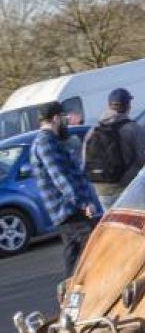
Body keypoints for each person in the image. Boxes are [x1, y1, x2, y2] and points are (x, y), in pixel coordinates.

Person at [31, 102, 102, 274]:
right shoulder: (45, 143)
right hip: (69, 209)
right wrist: (84, 203)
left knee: (74, 255)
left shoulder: (51, 141)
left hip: (68, 209)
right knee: (93, 250)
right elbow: (60, 178)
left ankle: (70, 294)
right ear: (56, 118)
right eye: (64, 118)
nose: (67, 121)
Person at [82, 88, 145, 210]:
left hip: (102, 189)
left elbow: (85, 161)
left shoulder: (93, 131)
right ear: (128, 106)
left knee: (115, 225)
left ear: (108, 106)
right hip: (128, 187)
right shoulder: (134, 129)